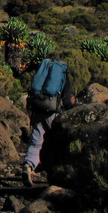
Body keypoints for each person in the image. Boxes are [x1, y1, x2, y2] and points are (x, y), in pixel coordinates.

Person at [22, 59, 75, 187]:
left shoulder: (42, 74)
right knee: (59, 143)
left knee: (36, 140)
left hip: (37, 109)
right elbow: (67, 101)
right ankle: (58, 174)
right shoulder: (63, 76)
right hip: (53, 112)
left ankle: (28, 165)